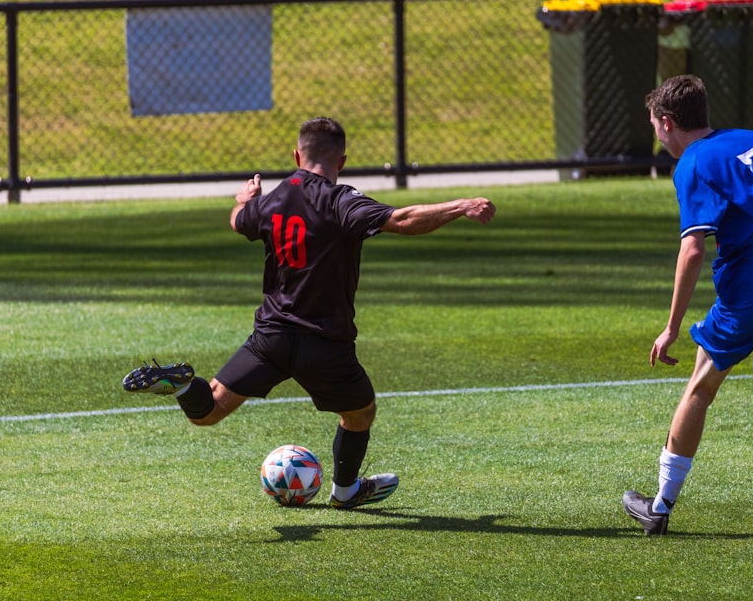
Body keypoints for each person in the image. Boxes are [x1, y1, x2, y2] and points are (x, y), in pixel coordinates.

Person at [121, 117, 495, 510]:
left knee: (207, 411)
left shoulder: (274, 200)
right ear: (343, 161)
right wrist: (461, 205)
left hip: (271, 339)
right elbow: (401, 220)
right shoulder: (341, 201)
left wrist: (245, 198)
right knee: (360, 413)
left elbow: (237, 221)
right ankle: (346, 491)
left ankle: (181, 386)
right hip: (325, 345)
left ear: (297, 155)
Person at [621, 74, 753, 535]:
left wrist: (672, 326)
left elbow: (693, 249)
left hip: (749, 296)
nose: (656, 135)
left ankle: (658, 508)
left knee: (701, 385)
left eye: (655, 125)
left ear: (668, 121)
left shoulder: (693, 163)